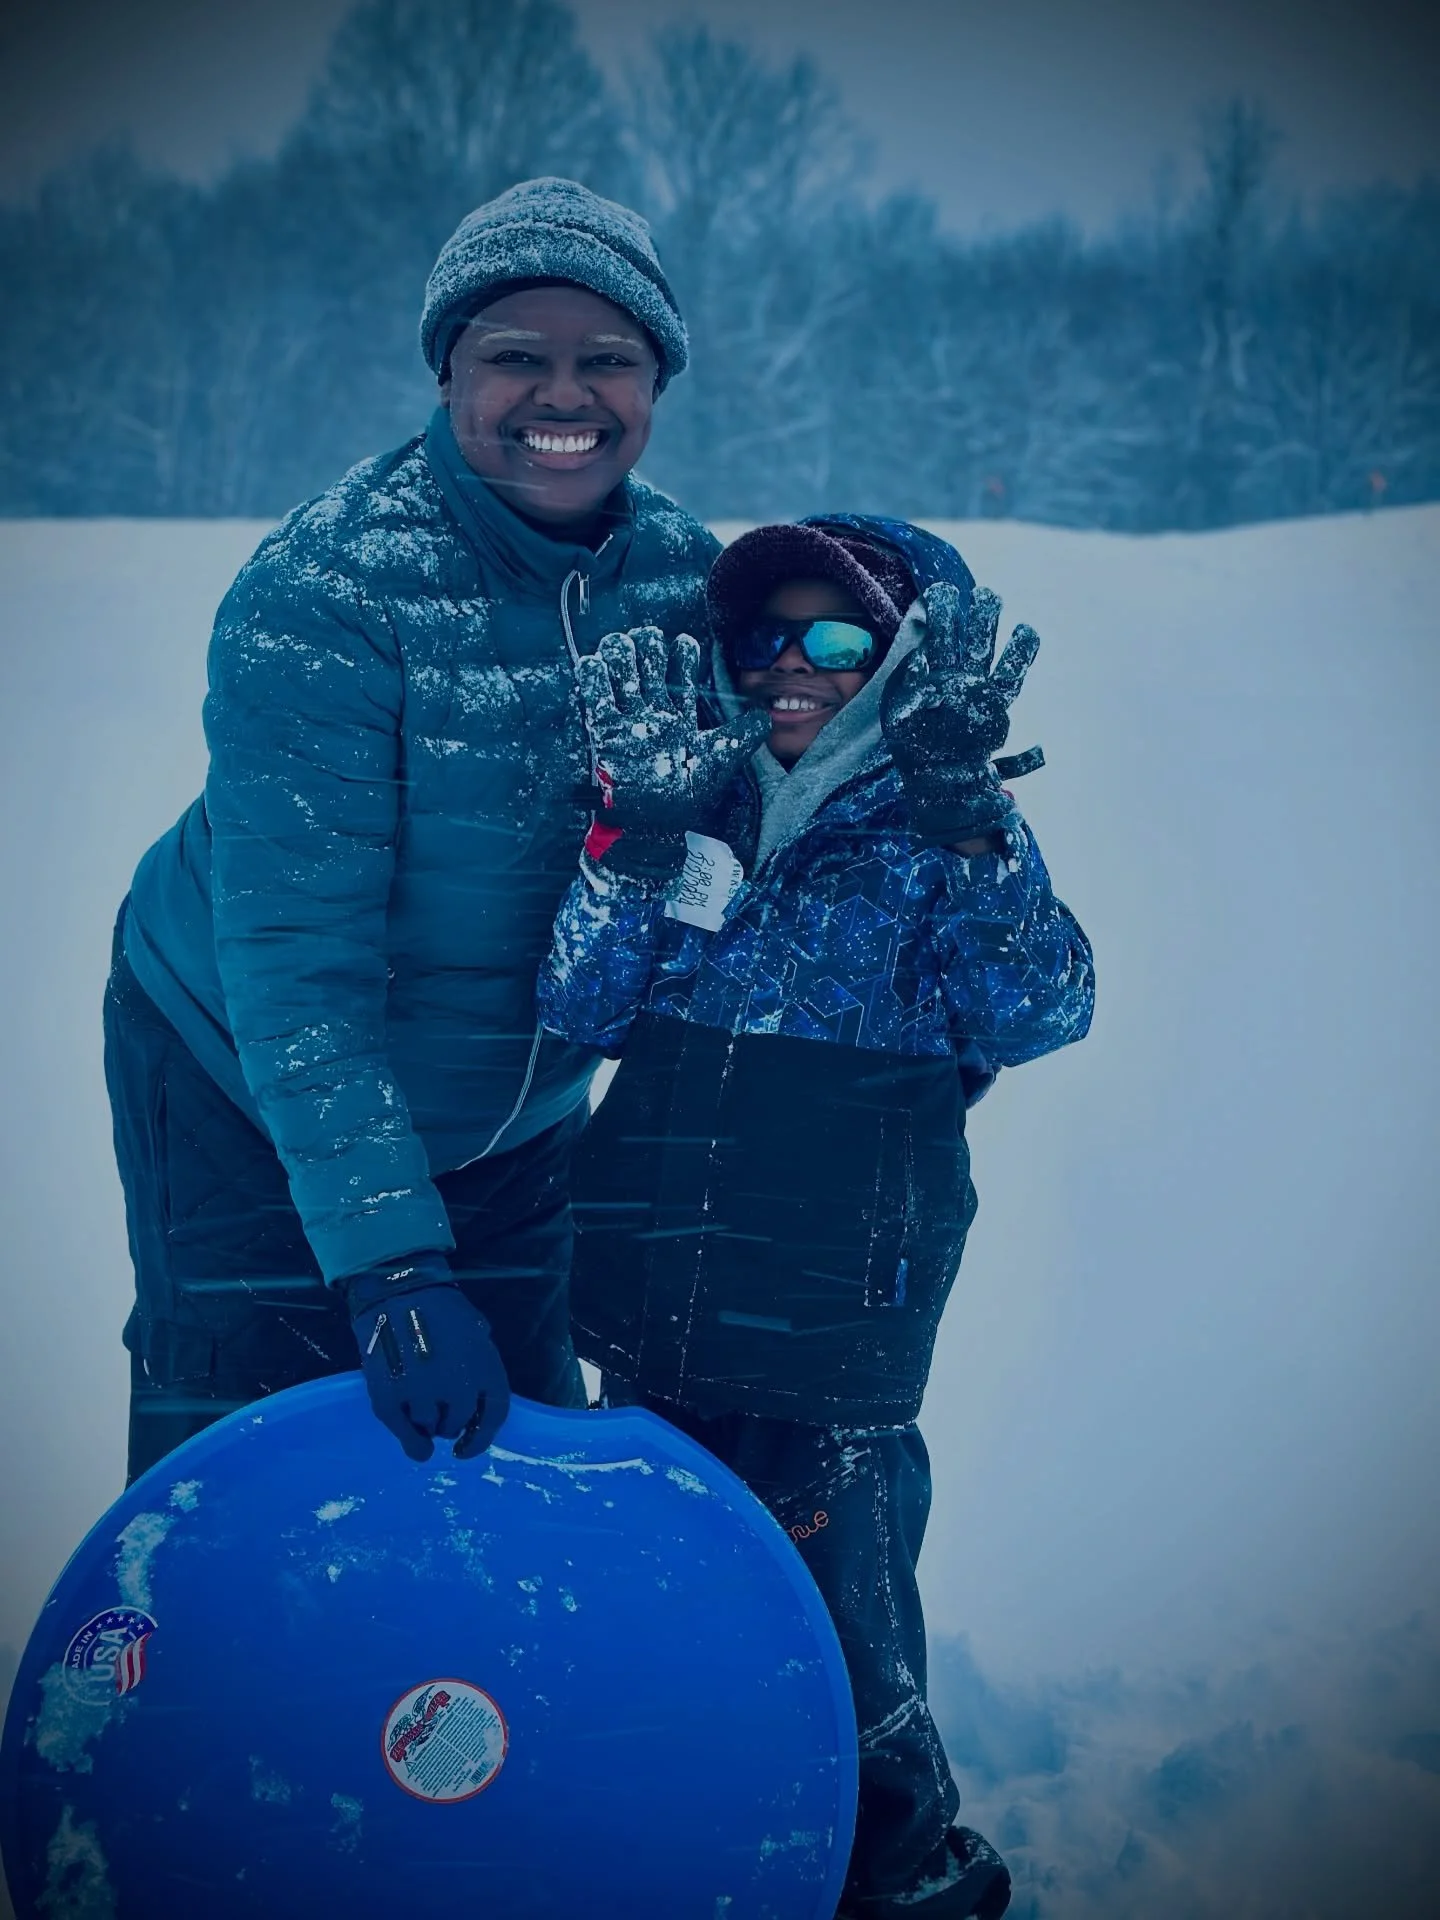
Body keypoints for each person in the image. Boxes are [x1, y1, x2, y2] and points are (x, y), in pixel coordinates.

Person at [104, 176, 739, 1482]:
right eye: (516, 357)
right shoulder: (327, 587)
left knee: (515, 1458)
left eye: (607, 360)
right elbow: (297, 965)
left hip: (515, 1110)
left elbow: (735, 878)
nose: (565, 396)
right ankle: (188, 1686)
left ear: (655, 386)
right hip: (244, 1070)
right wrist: (393, 1267)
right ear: (450, 372)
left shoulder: (683, 580)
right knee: (257, 1447)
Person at [537, 516, 1096, 1920]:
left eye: (837, 641)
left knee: (844, 1667)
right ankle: (699, 1867)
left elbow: (1043, 1008)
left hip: (825, 1341)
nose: (792, 667)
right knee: (657, 1631)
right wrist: (635, 835)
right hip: (652, 1313)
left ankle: (911, 1889)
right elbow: (582, 1004)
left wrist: (971, 816)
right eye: (765, 638)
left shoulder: (931, 824)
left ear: (906, 660)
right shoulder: (703, 799)